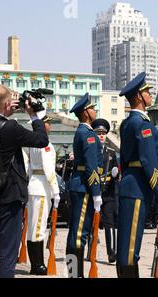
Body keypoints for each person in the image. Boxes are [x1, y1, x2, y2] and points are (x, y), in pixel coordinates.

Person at [117, 72, 158, 278]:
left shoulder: (127, 123)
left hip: (130, 182)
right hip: (138, 187)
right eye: (147, 91)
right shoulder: (143, 125)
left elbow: (124, 159)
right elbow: (149, 162)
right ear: (139, 96)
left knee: (127, 242)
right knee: (130, 246)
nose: (150, 94)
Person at [0, 85, 49, 278]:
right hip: (8, 198)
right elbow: (41, 140)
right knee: (7, 256)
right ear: (9, 104)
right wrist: (34, 115)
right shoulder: (11, 128)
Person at [66, 93, 103, 278]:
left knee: (76, 232)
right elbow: (91, 167)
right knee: (80, 233)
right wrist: (96, 192)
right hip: (84, 188)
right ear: (86, 112)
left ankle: (74, 273)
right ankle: (75, 275)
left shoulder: (83, 132)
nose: (95, 110)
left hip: (80, 185)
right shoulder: (87, 134)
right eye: (92, 108)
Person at [26, 114, 60, 275]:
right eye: (47, 123)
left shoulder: (32, 143)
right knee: (38, 228)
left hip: (33, 185)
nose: (50, 126)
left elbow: (28, 167)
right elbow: (48, 169)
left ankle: (36, 264)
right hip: (41, 188)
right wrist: (56, 190)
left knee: (33, 227)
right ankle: (38, 265)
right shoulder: (44, 143)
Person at [91, 118, 119, 264]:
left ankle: (112, 252)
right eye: (98, 133)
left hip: (108, 192)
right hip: (93, 191)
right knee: (91, 223)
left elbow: (116, 172)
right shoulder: (90, 150)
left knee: (110, 223)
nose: (101, 135)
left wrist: (116, 173)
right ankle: (91, 250)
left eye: (103, 133)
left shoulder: (111, 152)